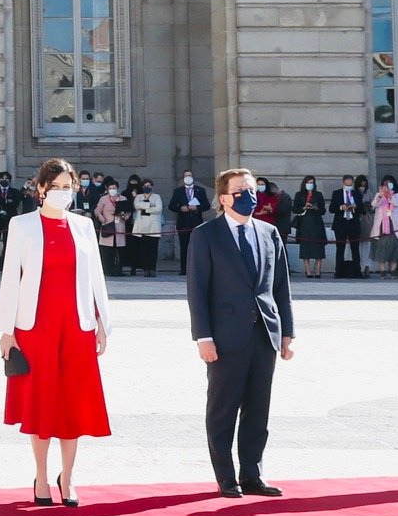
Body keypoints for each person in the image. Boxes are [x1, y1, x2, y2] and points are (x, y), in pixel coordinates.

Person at [0, 158, 110, 507]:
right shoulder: (22, 225)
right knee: (41, 402)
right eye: (56, 186)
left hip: (76, 325)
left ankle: (69, 476)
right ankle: (42, 476)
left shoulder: (83, 227)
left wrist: (103, 322)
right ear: (41, 188)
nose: (62, 193)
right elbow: (10, 280)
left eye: (68, 187)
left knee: (72, 403)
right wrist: (5, 331)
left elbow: (96, 278)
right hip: (35, 327)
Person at [186, 167, 296, 497]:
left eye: (251, 188)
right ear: (223, 198)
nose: (248, 195)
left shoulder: (268, 233)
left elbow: (281, 287)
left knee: (258, 408)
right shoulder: (206, 235)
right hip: (224, 337)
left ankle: (253, 473)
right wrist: (203, 337)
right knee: (223, 409)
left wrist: (287, 331)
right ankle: (226, 477)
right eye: (240, 190)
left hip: (264, 333)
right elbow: (197, 289)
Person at [331, 176, 365, 279]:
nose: (348, 186)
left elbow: (363, 210)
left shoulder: (357, 194)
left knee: (355, 248)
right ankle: (339, 271)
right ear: (343, 183)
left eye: (350, 184)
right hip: (341, 223)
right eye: (347, 184)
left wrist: (355, 207)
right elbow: (331, 208)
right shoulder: (336, 193)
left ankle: (357, 271)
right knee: (340, 248)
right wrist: (341, 207)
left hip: (353, 223)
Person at [369, 176, 398, 277]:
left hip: (393, 226)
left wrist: (389, 195)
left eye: (389, 184)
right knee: (381, 248)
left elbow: (397, 203)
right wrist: (381, 195)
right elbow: (374, 204)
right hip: (381, 226)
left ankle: (393, 271)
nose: (387, 186)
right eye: (385, 184)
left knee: (394, 249)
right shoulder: (378, 195)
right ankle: (382, 271)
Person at [293, 182, 327, 279]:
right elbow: (294, 209)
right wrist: (304, 207)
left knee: (318, 247)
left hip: (317, 223)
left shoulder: (318, 194)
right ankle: (307, 270)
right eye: (308, 182)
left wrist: (316, 208)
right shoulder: (299, 195)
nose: (309, 184)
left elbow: (323, 210)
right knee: (305, 247)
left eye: (311, 182)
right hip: (304, 223)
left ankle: (318, 270)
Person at [130, 179, 163, 276]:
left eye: (148, 185)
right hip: (142, 227)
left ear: (152, 186)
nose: (147, 187)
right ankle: (145, 269)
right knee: (144, 250)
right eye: (145, 186)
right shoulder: (138, 196)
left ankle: (153, 269)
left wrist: (145, 208)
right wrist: (150, 205)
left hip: (153, 227)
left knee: (153, 250)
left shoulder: (157, 197)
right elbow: (136, 205)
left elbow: (158, 208)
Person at [93, 185, 125, 276]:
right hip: (107, 226)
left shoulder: (122, 198)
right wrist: (101, 218)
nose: (112, 190)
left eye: (114, 188)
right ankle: (108, 270)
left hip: (119, 226)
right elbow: (97, 210)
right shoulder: (103, 199)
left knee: (119, 251)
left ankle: (119, 270)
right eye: (110, 188)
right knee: (107, 251)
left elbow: (127, 211)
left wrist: (124, 216)